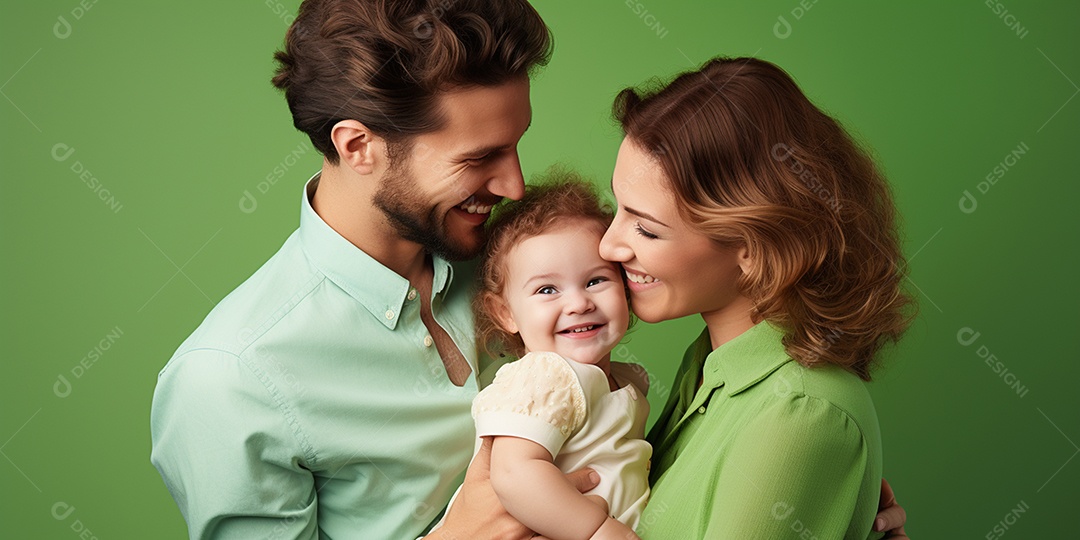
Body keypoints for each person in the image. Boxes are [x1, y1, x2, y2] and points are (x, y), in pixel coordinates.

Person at [148, 1, 600, 539]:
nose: (514, 186)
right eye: (478, 158)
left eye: (516, 145)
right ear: (359, 147)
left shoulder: (520, 259)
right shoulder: (229, 379)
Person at [598, 56, 914, 538]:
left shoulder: (804, 415)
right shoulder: (712, 365)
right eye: (618, 207)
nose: (609, 244)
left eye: (645, 228)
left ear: (752, 247)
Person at [433, 176, 650, 539]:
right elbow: (514, 474)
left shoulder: (623, 380)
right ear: (505, 313)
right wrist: (595, 529)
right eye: (547, 289)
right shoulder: (545, 375)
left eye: (596, 280)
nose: (579, 303)